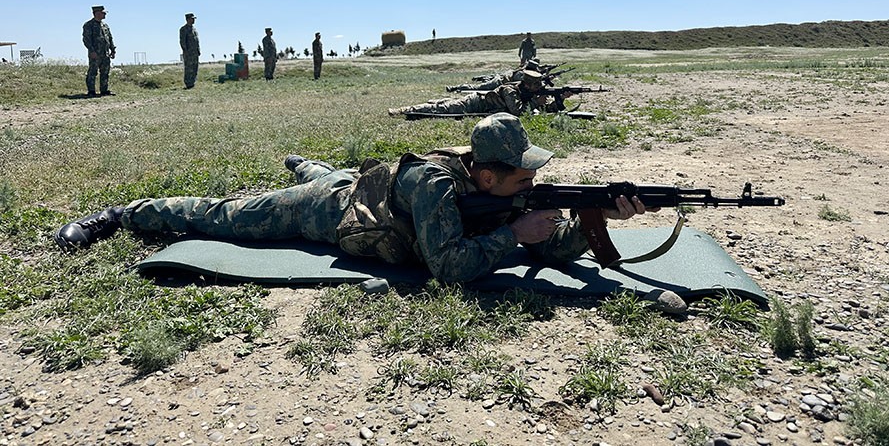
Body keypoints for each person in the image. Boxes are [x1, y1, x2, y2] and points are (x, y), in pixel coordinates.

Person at [53, 113, 651, 282]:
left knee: (330, 172)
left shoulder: (497, 192)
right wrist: (512, 238)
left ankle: (304, 164)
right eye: (523, 179)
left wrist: (594, 224)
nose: (532, 186)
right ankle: (122, 214)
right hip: (331, 212)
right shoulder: (440, 185)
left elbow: (548, 250)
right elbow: (447, 267)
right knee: (227, 218)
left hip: (366, 191)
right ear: (486, 175)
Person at [389, 70, 569, 118]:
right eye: (535, 86)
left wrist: (559, 101)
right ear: (528, 85)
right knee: (442, 109)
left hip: (485, 104)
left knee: (443, 105)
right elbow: (518, 112)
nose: (538, 89)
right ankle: (404, 110)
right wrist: (537, 103)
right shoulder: (510, 89)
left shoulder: (527, 93)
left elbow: (542, 110)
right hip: (475, 103)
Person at [82, 5, 116, 96]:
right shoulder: (88, 25)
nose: (105, 14)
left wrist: (112, 49)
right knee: (92, 72)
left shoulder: (105, 25)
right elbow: (86, 39)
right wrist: (92, 51)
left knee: (105, 72)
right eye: (103, 13)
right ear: (97, 13)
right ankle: (91, 91)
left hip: (105, 54)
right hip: (95, 54)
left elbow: (110, 38)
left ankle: (104, 90)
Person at [179, 13, 200, 89]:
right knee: (188, 68)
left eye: (194, 18)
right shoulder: (183, 29)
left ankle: (193, 82)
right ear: (188, 19)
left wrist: (198, 50)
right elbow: (182, 41)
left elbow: (196, 41)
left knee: (195, 67)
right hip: (188, 53)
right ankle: (188, 83)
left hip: (195, 53)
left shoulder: (194, 29)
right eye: (192, 18)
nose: (194, 20)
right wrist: (185, 51)